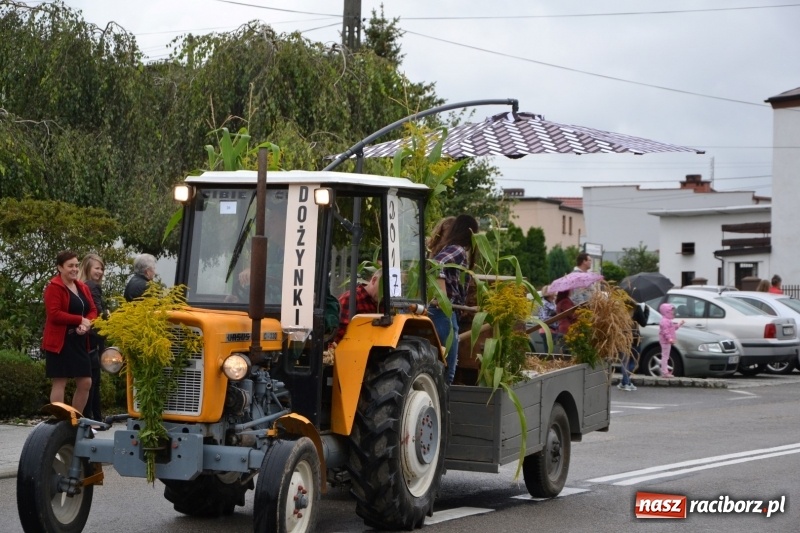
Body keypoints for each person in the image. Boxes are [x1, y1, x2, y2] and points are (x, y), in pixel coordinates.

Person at [43, 250, 98, 414]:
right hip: (60, 342)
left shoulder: (82, 286)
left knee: (86, 382)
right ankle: (60, 421)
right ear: (60, 267)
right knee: (60, 381)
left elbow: (93, 310)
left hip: (79, 341)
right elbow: (54, 314)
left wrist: (86, 324)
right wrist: (79, 320)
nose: (74, 269)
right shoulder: (54, 287)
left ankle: (75, 420)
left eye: (76, 265)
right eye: (70, 266)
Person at [428, 214, 479, 384]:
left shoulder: (449, 247)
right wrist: (442, 297)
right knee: (448, 373)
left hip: (446, 313)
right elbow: (437, 265)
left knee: (441, 370)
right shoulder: (458, 249)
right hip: (444, 313)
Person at [79, 254, 107, 421]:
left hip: (86, 338)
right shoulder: (92, 286)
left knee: (90, 381)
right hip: (93, 339)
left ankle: (94, 417)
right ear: (88, 268)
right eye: (97, 268)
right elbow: (97, 312)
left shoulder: (82, 286)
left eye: (101, 268)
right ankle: (93, 418)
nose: (100, 271)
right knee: (93, 382)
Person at [332, 271, 381, 345]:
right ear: (374, 280)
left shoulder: (383, 304)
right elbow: (338, 333)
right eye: (383, 287)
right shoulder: (351, 299)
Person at [618, 302, 649, 391]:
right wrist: (647, 311)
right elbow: (643, 323)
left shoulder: (620, 307)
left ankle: (624, 382)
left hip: (623, 338)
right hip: (634, 339)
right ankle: (626, 382)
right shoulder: (637, 308)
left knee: (625, 361)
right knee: (633, 362)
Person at [658, 302, 684, 378]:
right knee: (665, 357)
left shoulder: (667, 321)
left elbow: (672, 328)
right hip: (665, 341)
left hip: (667, 341)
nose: (673, 312)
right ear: (667, 311)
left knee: (666, 356)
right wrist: (669, 339)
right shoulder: (665, 321)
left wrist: (679, 324)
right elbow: (665, 331)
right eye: (671, 311)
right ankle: (664, 372)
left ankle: (665, 371)